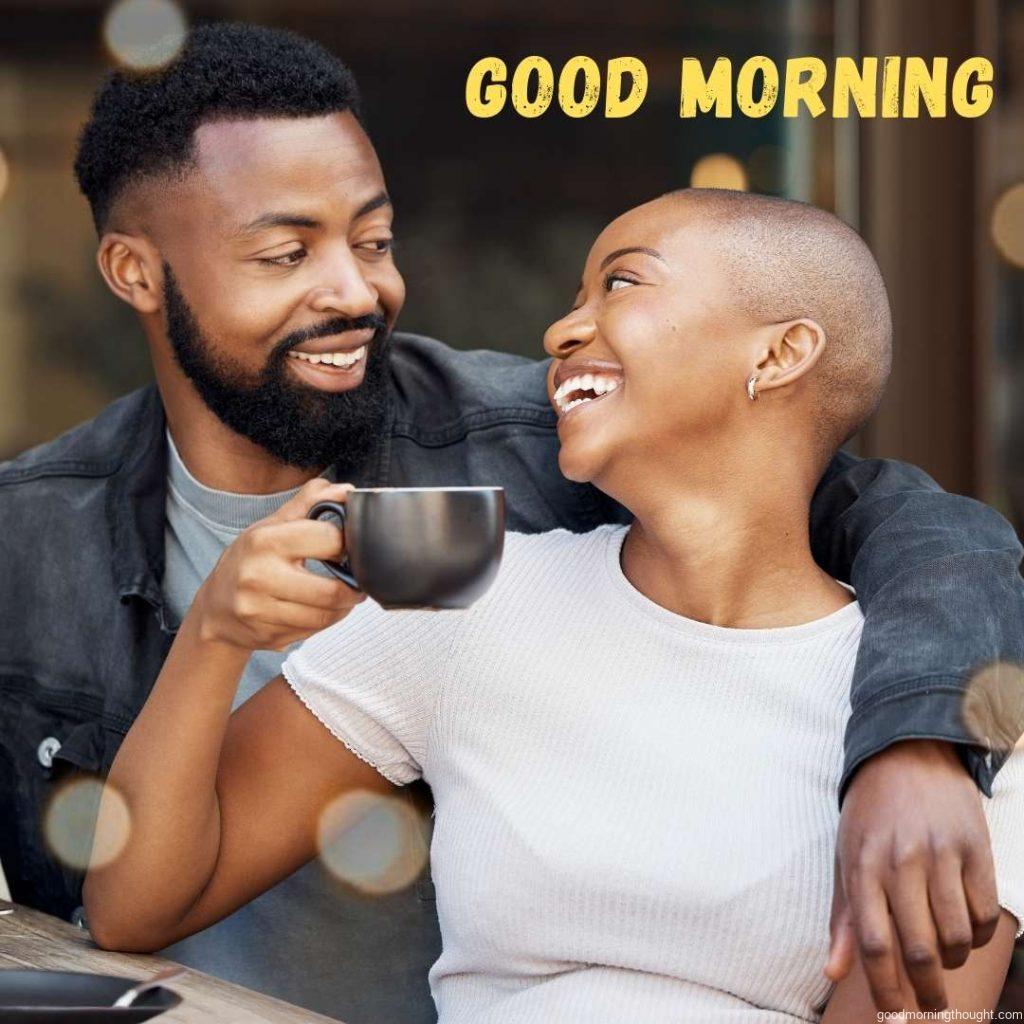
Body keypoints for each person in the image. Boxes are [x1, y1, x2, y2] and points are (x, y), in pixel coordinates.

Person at [0, 21, 1021, 1023]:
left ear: (778, 354)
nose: (356, 288)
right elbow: (129, 902)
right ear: (136, 273)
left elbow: (922, 525)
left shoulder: (511, 453)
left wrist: (922, 744)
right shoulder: (463, 594)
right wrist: (217, 634)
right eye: (283, 252)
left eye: (373, 241)